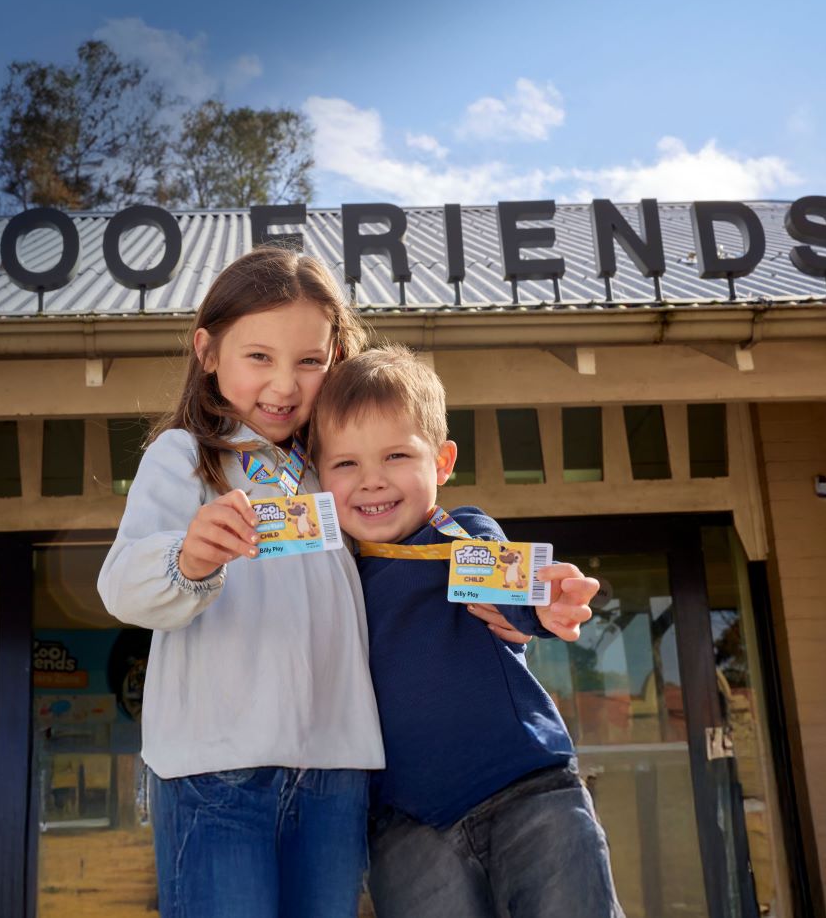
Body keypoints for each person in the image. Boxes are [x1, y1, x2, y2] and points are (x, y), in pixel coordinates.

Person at [97, 247, 384, 918]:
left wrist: (509, 586)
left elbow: (411, 545)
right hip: (214, 771)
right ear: (207, 352)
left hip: (336, 770)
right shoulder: (184, 457)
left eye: (309, 361)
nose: (284, 385)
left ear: (337, 358)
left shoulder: (336, 470)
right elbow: (120, 584)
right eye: (259, 357)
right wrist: (188, 558)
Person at [312, 345, 624, 918]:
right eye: (346, 464)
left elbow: (514, 595)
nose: (372, 481)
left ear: (442, 462)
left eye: (396, 455)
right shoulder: (330, 575)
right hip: (406, 828)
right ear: (317, 475)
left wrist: (547, 603)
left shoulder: (462, 537)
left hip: (528, 790)